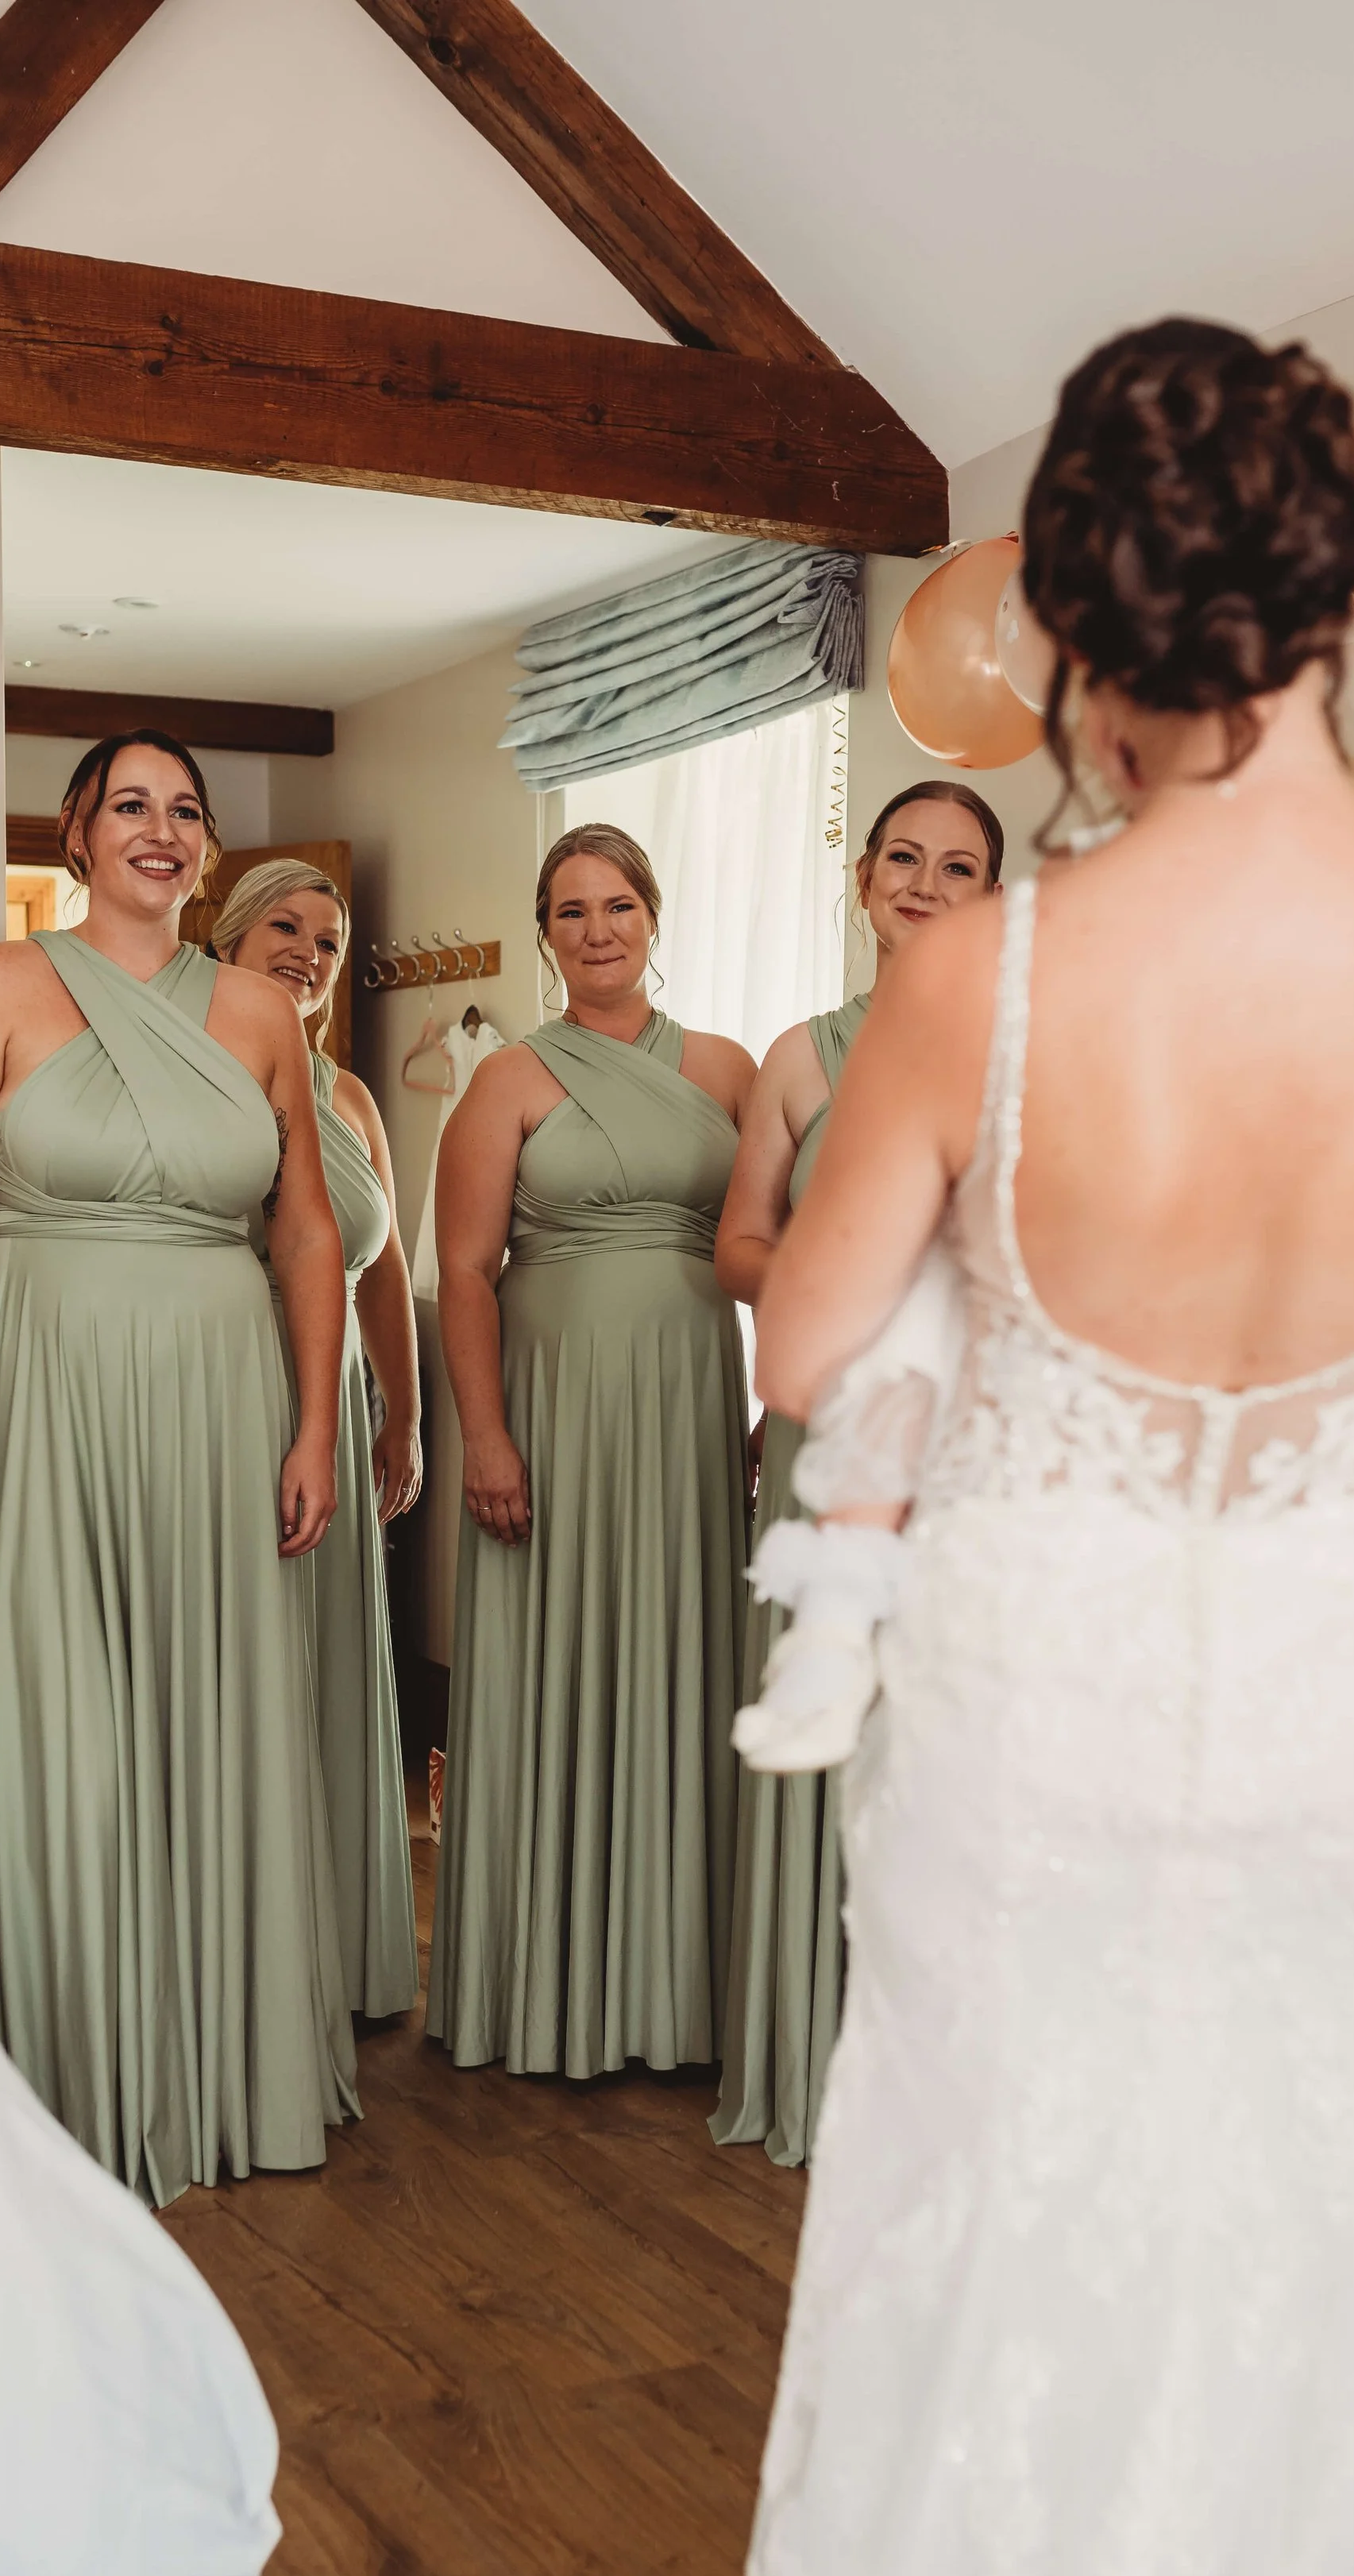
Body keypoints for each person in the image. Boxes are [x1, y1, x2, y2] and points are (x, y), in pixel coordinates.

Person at [746, 321, 1354, 2575]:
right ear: (1339, 585)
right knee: (1322, 2240)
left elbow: (809, 1346)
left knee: (1003, 2249)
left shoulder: (984, 972)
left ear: (1078, 626)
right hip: (1349, 1725)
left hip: (1039, 1711)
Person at [0, 729, 358, 2207]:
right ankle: (62, 2075)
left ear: (205, 850)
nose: (161, 829)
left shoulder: (260, 1011)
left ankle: (219, 2061)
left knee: (216, 1697)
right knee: (63, 1710)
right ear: (77, 830)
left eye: (186, 811)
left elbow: (306, 1230)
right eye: (131, 805)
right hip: (44, 1377)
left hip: (220, 1389)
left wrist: (316, 1424)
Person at [427, 824, 755, 2076]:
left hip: (687, 1406)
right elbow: (465, 1271)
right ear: (545, 934)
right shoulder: (507, 1080)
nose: (598, 929)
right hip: (552, 1411)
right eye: (571, 911)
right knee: (559, 1663)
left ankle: (679, 1989)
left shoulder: (728, 1069)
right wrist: (486, 1438)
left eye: (618, 904)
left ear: (655, 917)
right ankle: (549, 1983)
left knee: (682, 1656)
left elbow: (785, 1241)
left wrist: (782, 1398)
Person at [711, 784, 1003, 2168]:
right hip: (832, 1428)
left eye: (960, 866)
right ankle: (810, 2052)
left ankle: (947, 2073)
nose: (927, 883)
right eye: (905, 859)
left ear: (993, 894)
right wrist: (851, 1293)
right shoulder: (800, 1058)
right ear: (865, 879)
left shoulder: (1028, 1052)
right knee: (827, 1713)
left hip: (971, 1437)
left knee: (951, 1722)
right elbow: (738, 1244)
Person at [214, 858, 422, 2020]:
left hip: (338, 1403)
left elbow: (380, 1267)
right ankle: (241, 1944)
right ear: (231, 938)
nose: (308, 953)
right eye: (284, 929)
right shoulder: (194, 1070)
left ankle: (331, 1950)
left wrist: (405, 1413)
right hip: (231, 1390)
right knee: (242, 1657)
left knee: (330, 1662)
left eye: (329, 941)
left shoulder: (349, 1099)